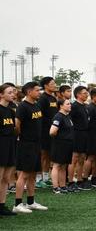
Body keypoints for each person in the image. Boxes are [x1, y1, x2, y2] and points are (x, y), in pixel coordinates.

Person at [13, 81, 47, 214]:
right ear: (29, 92)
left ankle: (31, 202)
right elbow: (17, 125)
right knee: (24, 174)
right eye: (37, 90)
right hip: (26, 144)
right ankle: (17, 203)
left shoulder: (37, 105)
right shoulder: (22, 106)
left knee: (33, 174)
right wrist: (23, 137)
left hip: (36, 144)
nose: (39, 92)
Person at [68, 85, 90, 191]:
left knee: (82, 158)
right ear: (78, 95)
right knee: (74, 158)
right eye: (84, 93)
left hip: (85, 135)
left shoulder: (85, 106)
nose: (86, 95)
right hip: (76, 134)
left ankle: (80, 180)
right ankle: (71, 181)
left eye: (87, 93)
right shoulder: (74, 106)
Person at [49, 98, 73, 194]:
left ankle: (63, 186)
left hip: (68, 144)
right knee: (57, 165)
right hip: (60, 144)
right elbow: (52, 132)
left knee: (63, 166)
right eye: (67, 104)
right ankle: (55, 187)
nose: (70, 105)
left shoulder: (67, 116)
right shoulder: (58, 116)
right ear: (61, 106)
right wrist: (60, 138)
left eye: (70, 103)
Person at [0, 84, 17, 216]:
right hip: (1, 146)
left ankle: (2, 205)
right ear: (1, 94)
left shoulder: (11, 111)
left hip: (10, 145)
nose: (13, 94)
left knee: (6, 178)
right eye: (9, 92)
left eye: (13, 92)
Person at [37, 76, 57, 188]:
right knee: (43, 155)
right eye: (52, 83)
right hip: (44, 130)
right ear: (46, 86)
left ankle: (46, 177)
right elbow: (40, 115)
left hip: (52, 130)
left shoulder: (53, 98)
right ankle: (38, 179)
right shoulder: (43, 98)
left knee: (49, 154)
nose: (55, 85)